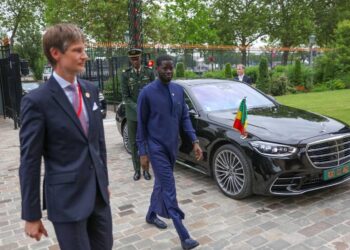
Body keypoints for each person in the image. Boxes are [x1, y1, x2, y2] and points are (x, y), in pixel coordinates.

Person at [19, 23, 113, 250]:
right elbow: (30, 161)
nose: (85, 56)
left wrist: (104, 181)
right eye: (78, 50)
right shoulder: (37, 101)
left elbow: (98, 143)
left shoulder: (90, 90)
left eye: (84, 50)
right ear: (56, 53)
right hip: (67, 201)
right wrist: (31, 215)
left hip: (98, 198)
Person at [136, 55, 203, 250]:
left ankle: (150, 214)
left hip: (172, 146)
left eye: (171, 68)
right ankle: (184, 235)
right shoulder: (146, 93)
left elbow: (185, 119)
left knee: (161, 184)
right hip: (155, 147)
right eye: (164, 68)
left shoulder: (178, 90)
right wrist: (143, 152)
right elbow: (141, 125)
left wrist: (195, 141)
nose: (168, 71)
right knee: (169, 187)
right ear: (156, 69)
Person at [121, 48, 155, 181]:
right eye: (132, 59)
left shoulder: (149, 72)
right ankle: (137, 170)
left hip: (147, 115)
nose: (135, 61)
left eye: (137, 58)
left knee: (146, 142)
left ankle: (146, 170)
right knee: (134, 143)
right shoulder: (125, 75)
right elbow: (125, 96)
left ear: (141, 58)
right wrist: (138, 107)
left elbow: (153, 92)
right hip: (133, 115)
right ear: (130, 60)